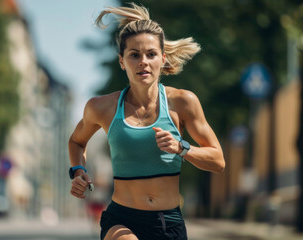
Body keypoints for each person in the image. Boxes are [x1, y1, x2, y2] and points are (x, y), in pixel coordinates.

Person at [69, 3, 225, 240]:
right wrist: (79, 170)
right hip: (121, 220)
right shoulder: (102, 108)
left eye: (151, 54)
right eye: (134, 55)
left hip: (168, 222)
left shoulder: (183, 102)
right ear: (122, 61)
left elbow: (218, 160)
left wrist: (181, 147)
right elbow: (76, 141)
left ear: (162, 59)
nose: (143, 61)